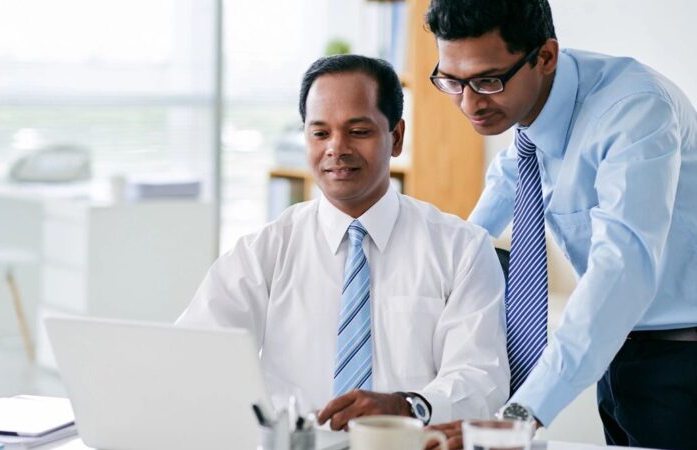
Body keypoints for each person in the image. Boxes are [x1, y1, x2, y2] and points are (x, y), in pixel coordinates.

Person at [176, 54, 509, 429]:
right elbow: (194, 355)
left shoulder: (462, 248)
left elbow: (483, 379)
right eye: (320, 133)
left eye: (358, 131)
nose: (337, 147)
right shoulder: (264, 251)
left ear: (396, 137)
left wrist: (407, 406)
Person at [423, 0, 697, 448]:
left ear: (545, 56)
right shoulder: (530, 118)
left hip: (682, 362)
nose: (468, 103)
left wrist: (523, 412)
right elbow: (490, 208)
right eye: (452, 81)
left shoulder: (634, 112)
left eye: (488, 81)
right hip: (617, 354)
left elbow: (621, 268)